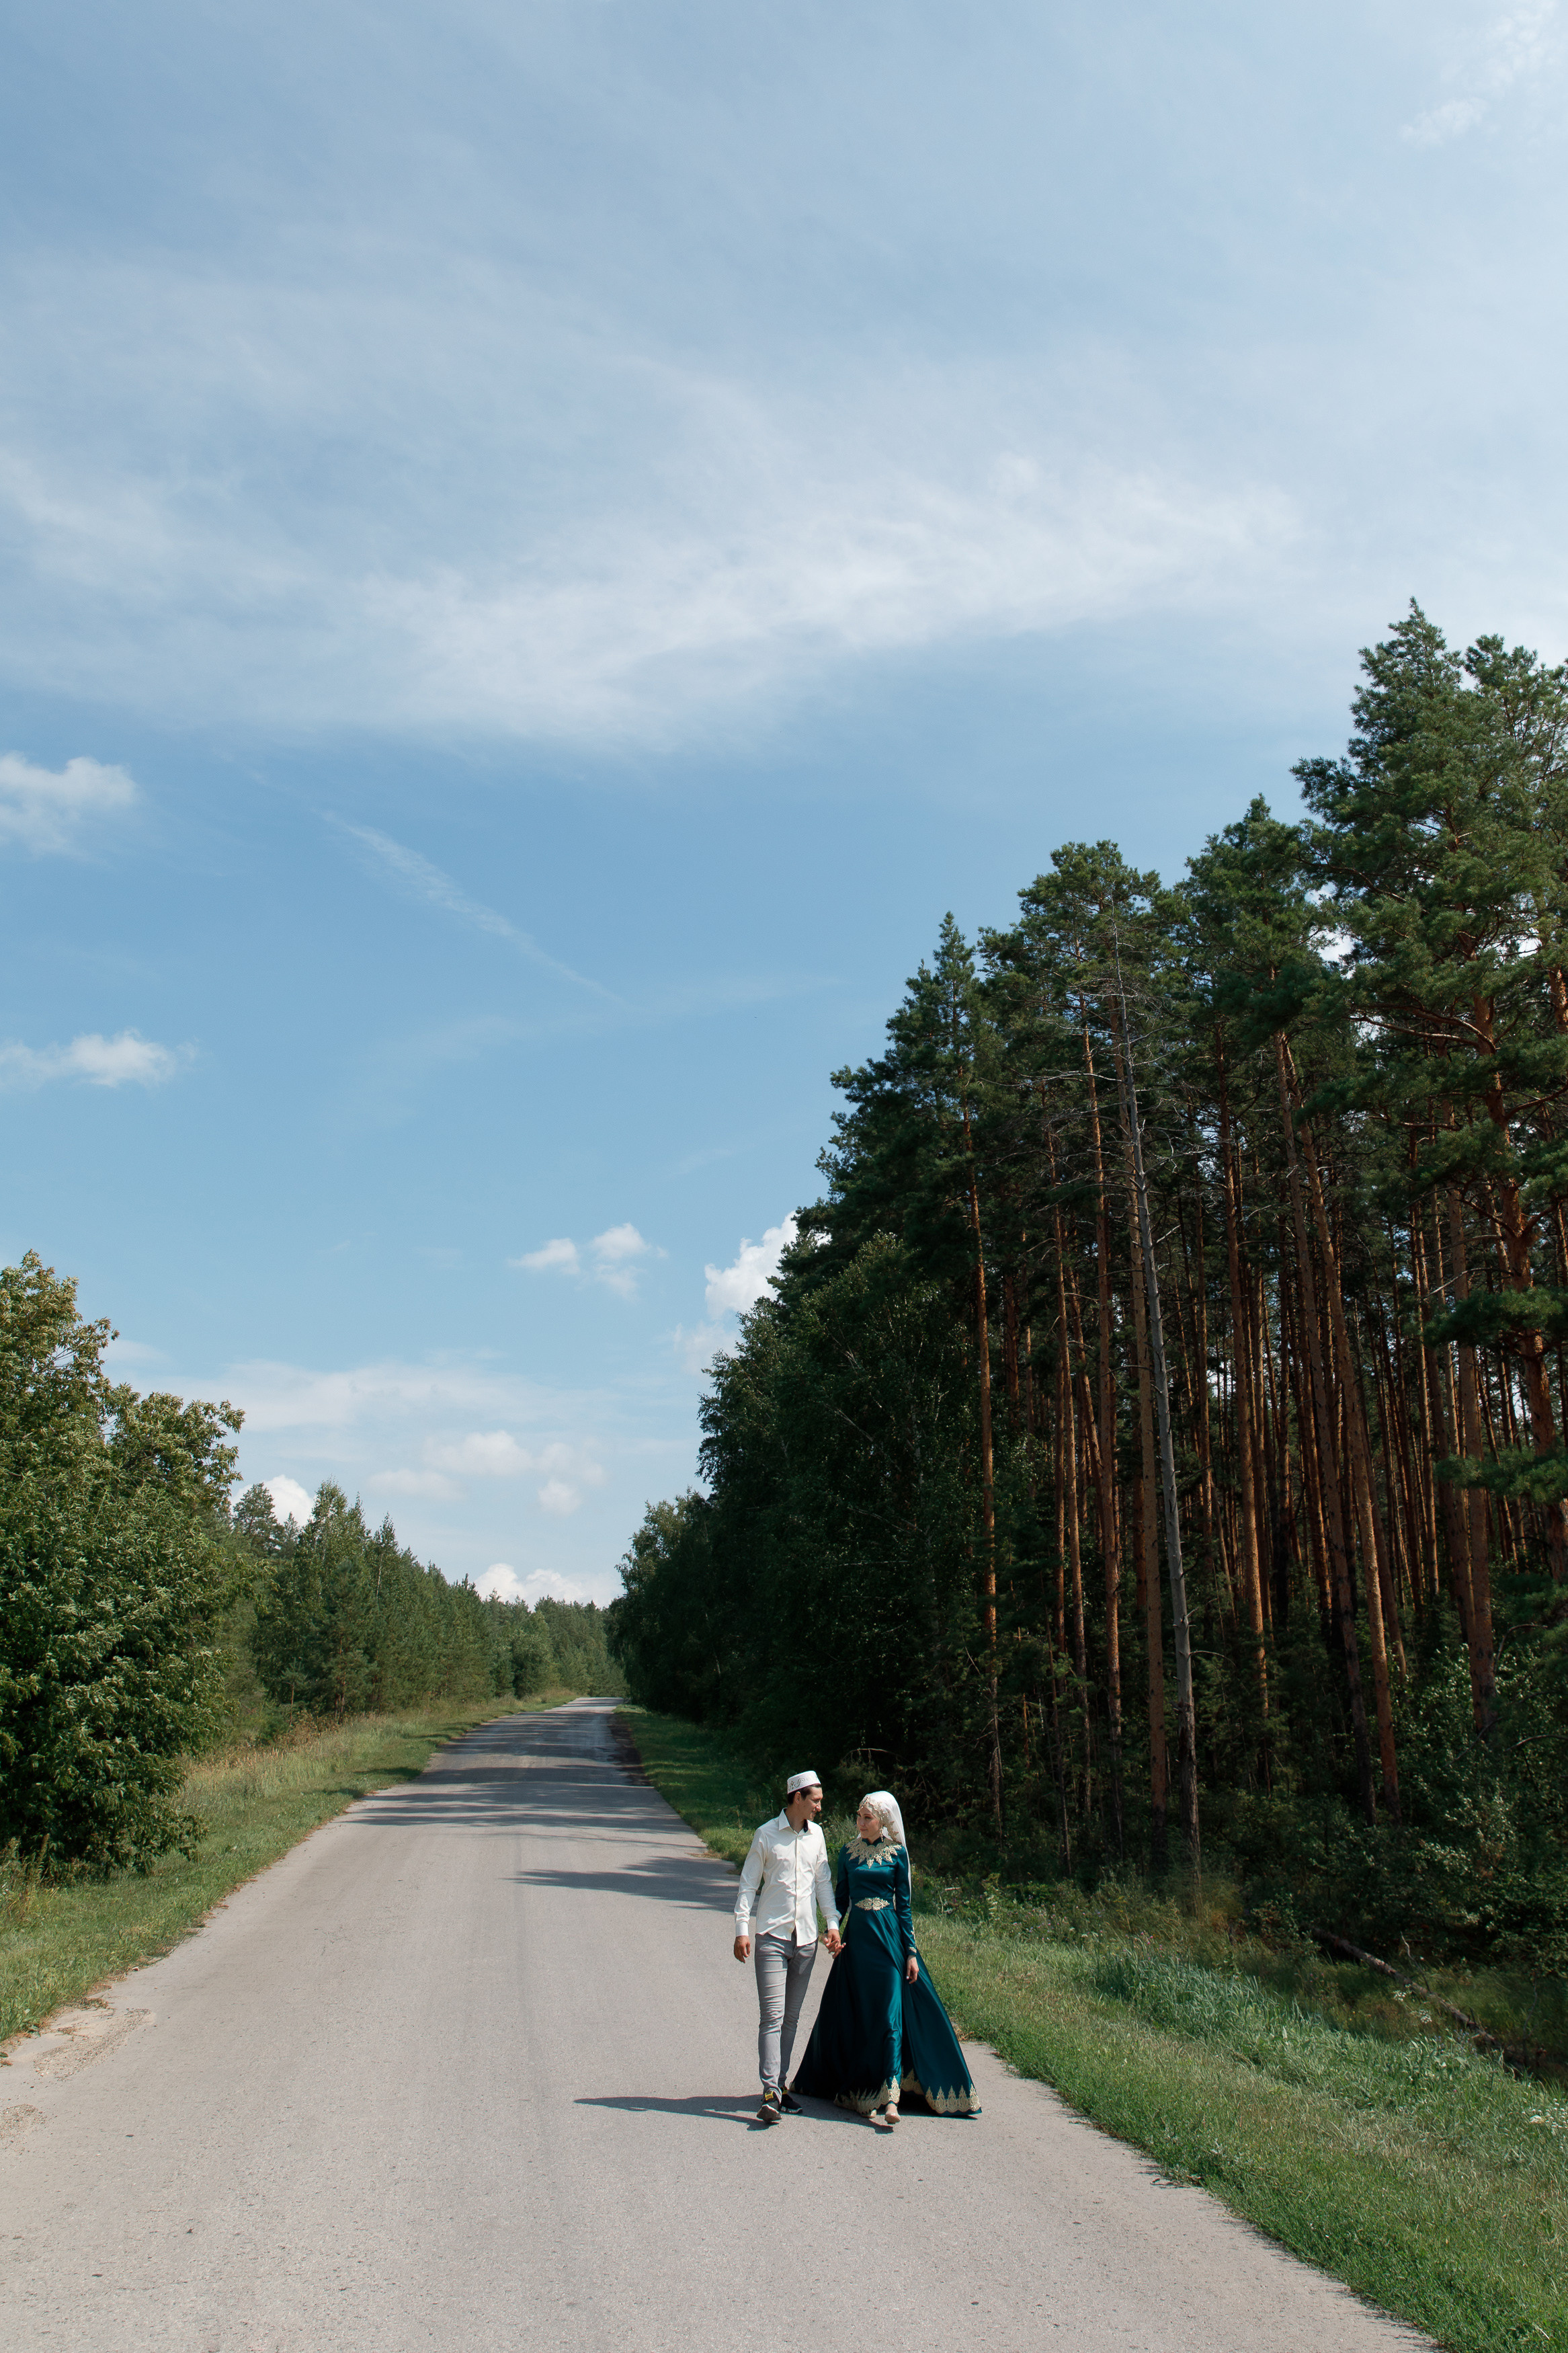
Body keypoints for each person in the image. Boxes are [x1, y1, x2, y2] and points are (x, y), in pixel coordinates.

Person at [791, 1789, 979, 2126]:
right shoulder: (847, 1853)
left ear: (883, 1822)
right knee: (861, 2016)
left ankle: (891, 2098)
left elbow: (904, 1908)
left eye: (867, 1818)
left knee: (892, 2016)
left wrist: (911, 1953)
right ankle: (863, 2087)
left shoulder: (897, 1854)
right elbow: (841, 1900)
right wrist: (832, 1932)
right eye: (859, 1817)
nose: (860, 1823)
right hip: (858, 1944)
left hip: (889, 1941)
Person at [733, 1770, 842, 2125]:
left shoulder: (818, 1837)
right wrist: (742, 1929)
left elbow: (823, 1883)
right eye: (816, 1800)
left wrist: (832, 1924)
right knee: (773, 2017)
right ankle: (769, 2091)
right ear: (798, 1798)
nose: (820, 1807)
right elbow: (748, 1885)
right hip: (771, 1938)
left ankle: (779, 2088)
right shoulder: (766, 1835)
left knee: (791, 2019)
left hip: (807, 1941)